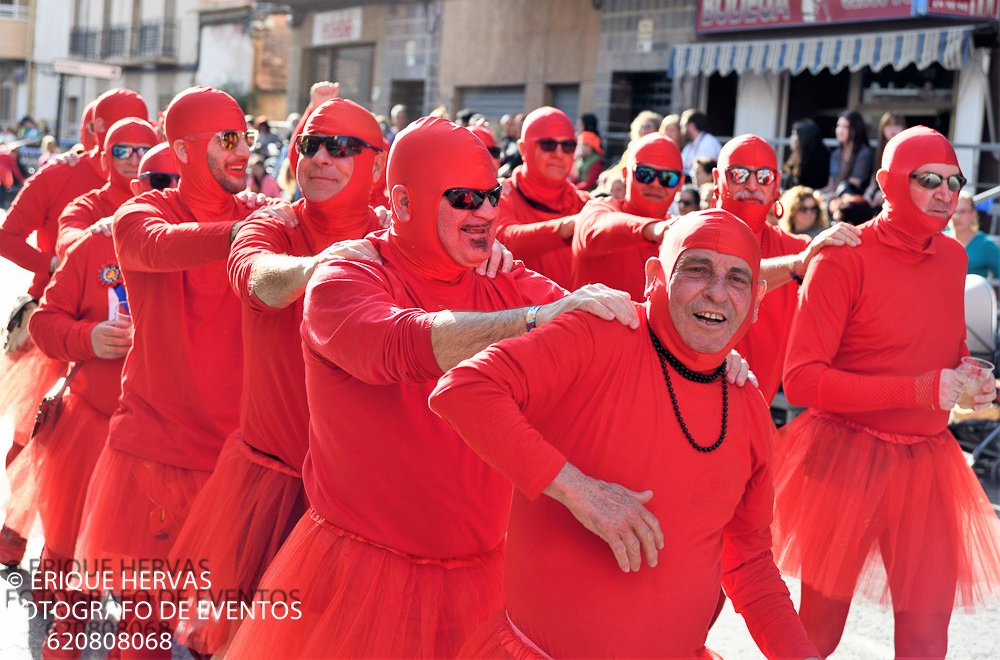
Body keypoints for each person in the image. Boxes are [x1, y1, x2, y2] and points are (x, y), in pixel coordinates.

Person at [226, 116, 640, 658]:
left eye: (492, 195)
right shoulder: (345, 277)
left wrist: (706, 357)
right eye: (464, 198)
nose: (487, 212)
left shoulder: (501, 276)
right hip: (361, 577)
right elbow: (404, 345)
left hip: (482, 574)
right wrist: (538, 317)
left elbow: (603, 330)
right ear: (401, 204)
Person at [429, 209, 820, 660]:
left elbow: (749, 563)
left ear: (756, 300)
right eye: (697, 269)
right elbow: (464, 389)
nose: (716, 292)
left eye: (737, 279)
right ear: (656, 276)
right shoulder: (602, 333)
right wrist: (579, 490)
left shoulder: (747, 404)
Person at [167, 97, 388, 657]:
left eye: (341, 148)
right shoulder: (269, 224)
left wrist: (493, 257)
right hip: (269, 488)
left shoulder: (397, 237)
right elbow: (259, 279)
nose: (320, 158)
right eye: (311, 144)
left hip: (357, 499)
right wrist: (329, 265)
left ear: (377, 165)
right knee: (234, 642)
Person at [771, 126, 1000, 659]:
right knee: (816, 635)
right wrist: (924, 388)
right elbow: (801, 381)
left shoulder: (953, 258)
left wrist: (968, 373)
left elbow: (946, 344)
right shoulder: (843, 256)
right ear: (887, 183)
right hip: (845, 456)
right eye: (929, 180)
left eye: (954, 181)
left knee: (926, 640)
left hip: (928, 462)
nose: (946, 194)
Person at [73, 87, 271, 659]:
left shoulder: (260, 213)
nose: (242, 152)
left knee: (222, 636)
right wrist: (245, 236)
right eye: (227, 139)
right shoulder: (140, 213)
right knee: (144, 634)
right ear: (182, 150)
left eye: (246, 138)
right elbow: (156, 247)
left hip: (239, 464)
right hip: (155, 456)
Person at [18, 143, 176, 655]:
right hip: (91, 424)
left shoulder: (221, 253)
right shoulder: (95, 245)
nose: (169, 195)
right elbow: (45, 320)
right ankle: (66, 634)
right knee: (72, 553)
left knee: (148, 570)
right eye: (156, 182)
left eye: (179, 184)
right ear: (135, 186)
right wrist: (88, 339)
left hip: (166, 439)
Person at [0, 88, 147, 567]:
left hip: (126, 332)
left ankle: (82, 551)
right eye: (119, 145)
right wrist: (58, 262)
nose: (130, 157)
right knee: (37, 433)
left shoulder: (157, 180)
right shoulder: (62, 173)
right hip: (59, 317)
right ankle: (16, 534)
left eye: (139, 143)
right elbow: (7, 235)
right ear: (96, 134)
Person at [713, 134, 860, 405]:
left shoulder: (797, 246)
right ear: (717, 179)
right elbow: (721, 269)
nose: (753, 185)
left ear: (777, 184)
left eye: (764, 177)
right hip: (689, 398)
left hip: (758, 406)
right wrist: (795, 265)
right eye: (740, 174)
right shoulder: (692, 233)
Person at [572, 133, 683, 300]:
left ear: (680, 183)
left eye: (668, 178)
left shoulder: (677, 232)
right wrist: (653, 229)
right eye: (644, 174)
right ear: (626, 174)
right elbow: (595, 229)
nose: (655, 183)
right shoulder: (600, 209)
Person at [496, 106, 590, 289]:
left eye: (567, 146)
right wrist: (566, 228)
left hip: (578, 314)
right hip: (522, 316)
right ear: (523, 149)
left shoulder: (584, 203)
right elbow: (505, 239)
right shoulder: (501, 196)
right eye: (548, 144)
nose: (558, 154)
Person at [56, 117, 160, 257]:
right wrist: (99, 233)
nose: (134, 161)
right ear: (105, 161)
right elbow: (67, 243)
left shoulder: (170, 204)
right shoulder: (86, 207)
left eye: (144, 151)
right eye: (122, 151)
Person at [949, 189, 999, 278]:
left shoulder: (985, 245)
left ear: (973, 214)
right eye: (953, 211)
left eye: (963, 211)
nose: (956, 216)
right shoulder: (938, 239)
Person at [824, 109, 873, 197]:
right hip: (834, 196)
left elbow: (853, 185)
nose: (839, 130)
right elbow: (831, 186)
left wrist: (829, 196)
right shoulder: (835, 154)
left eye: (845, 127)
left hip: (852, 198)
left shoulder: (864, 153)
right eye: (838, 126)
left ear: (855, 130)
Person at [866, 111, 906, 209]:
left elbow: (903, 181)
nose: (892, 129)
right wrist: (867, 194)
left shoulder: (906, 151)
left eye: (896, 125)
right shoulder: (880, 151)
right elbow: (873, 181)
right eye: (888, 125)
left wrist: (884, 193)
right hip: (879, 192)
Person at [782, 119, 829, 191]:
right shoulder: (795, 157)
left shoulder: (819, 162)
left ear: (804, 137)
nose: (791, 138)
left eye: (794, 134)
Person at [680, 109, 722, 176]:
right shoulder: (689, 145)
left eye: (683, 126)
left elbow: (703, 173)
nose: (681, 130)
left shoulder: (709, 142)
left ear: (691, 125)